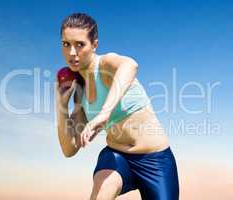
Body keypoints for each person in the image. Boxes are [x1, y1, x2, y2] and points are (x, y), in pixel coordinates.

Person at [55, 13, 179, 200]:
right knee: (101, 194)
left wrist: (104, 114)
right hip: (117, 157)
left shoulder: (105, 65)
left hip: (155, 160)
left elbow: (130, 65)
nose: (72, 53)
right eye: (66, 44)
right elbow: (69, 149)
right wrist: (61, 105)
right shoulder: (80, 91)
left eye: (80, 44)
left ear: (94, 44)